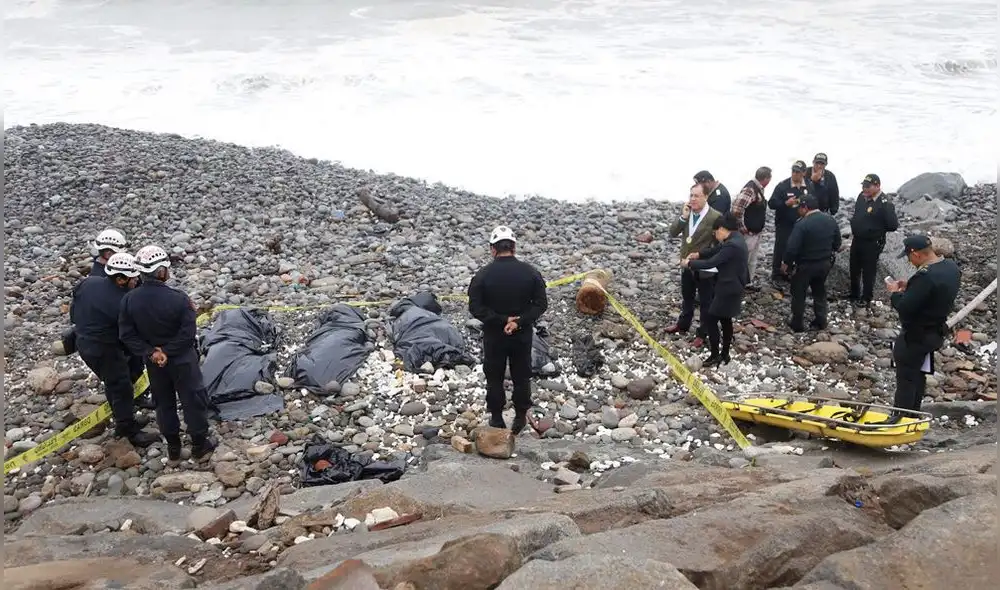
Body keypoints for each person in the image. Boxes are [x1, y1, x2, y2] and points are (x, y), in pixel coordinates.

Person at [119, 245, 217, 461]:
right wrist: (168, 351)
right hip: (182, 358)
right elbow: (188, 332)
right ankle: (200, 445)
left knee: (163, 402)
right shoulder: (178, 299)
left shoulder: (129, 300)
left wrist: (152, 352)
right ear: (161, 271)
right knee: (193, 399)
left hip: (154, 362)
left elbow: (127, 335)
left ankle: (173, 448)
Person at [70, 252, 159, 447]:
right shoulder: (122, 302)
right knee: (120, 386)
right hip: (103, 350)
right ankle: (127, 430)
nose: (137, 280)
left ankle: (123, 415)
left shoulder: (90, 282)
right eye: (133, 278)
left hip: (84, 342)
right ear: (120, 279)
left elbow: (74, 307)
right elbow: (133, 333)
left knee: (114, 383)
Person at [467, 226, 548, 434]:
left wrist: (501, 320)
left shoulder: (483, 275)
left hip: (495, 334)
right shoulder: (531, 273)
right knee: (522, 374)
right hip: (521, 334)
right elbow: (540, 304)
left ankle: (496, 418)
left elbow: (475, 307)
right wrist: (519, 322)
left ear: (493, 249)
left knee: (494, 375)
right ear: (514, 247)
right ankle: (520, 416)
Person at [883, 235, 960, 419]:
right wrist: (909, 286)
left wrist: (895, 293)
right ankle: (913, 415)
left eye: (909, 257)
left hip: (916, 335)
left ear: (916, 254)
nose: (909, 261)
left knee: (906, 378)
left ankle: (900, 418)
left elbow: (905, 308)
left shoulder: (925, 276)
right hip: (936, 332)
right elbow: (935, 289)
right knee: (919, 374)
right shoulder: (950, 267)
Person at [682, 214, 750, 367]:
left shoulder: (732, 245)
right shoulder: (736, 238)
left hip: (728, 288)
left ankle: (714, 354)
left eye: (715, 233)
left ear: (721, 229)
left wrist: (690, 264)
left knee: (711, 319)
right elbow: (716, 250)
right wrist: (699, 254)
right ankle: (724, 354)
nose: (716, 236)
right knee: (726, 320)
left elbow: (713, 261)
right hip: (733, 286)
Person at [665, 184, 722, 347]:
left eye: (697, 196)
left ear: (706, 197)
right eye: (691, 195)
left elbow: (721, 243)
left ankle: (703, 333)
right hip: (686, 265)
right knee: (687, 297)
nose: (693, 199)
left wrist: (708, 257)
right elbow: (673, 232)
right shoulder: (688, 212)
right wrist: (683, 217)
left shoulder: (715, 216)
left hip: (705, 268)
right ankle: (683, 324)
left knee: (706, 302)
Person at [781, 196, 842, 332]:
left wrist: (786, 263)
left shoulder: (802, 224)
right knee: (819, 291)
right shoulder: (830, 220)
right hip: (825, 263)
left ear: (805, 207)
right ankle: (821, 321)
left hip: (805, 265)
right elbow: (837, 243)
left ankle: (797, 323)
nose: (798, 211)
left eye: (800, 209)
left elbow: (792, 247)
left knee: (798, 293)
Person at [848, 173, 900, 306]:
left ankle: (866, 297)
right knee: (854, 268)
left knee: (868, 270)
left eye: (868, 186)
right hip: (857, 239)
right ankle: (854, 294)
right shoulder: (861, 197)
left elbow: (893, 225)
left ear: (877, 186)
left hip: (872, 242)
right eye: (864, 186)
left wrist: (876, 229)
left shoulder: (885, 203)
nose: (865, 189)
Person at [767, 161, 812, 283]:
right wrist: (785, 203)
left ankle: (791, 272)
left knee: (798, 247)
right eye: (793, 171)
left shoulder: (808, 185)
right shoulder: (783, 186)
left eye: (798, 172)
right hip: (785, 223)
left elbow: (813, 201)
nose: (795, 174)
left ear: (804, 173)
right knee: (781, 247)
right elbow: (771, 203)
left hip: (802, 224)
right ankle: (777, 273)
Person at [730, 166, 772, 290]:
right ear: (766, 179)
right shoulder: (750, 189)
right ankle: (737, 283)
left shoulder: (758, 188)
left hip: (755, 231)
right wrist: (742, 228)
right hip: (748, 233)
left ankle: (747, 281)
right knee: (743, 259)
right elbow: (737, 210)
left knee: (752, 260)